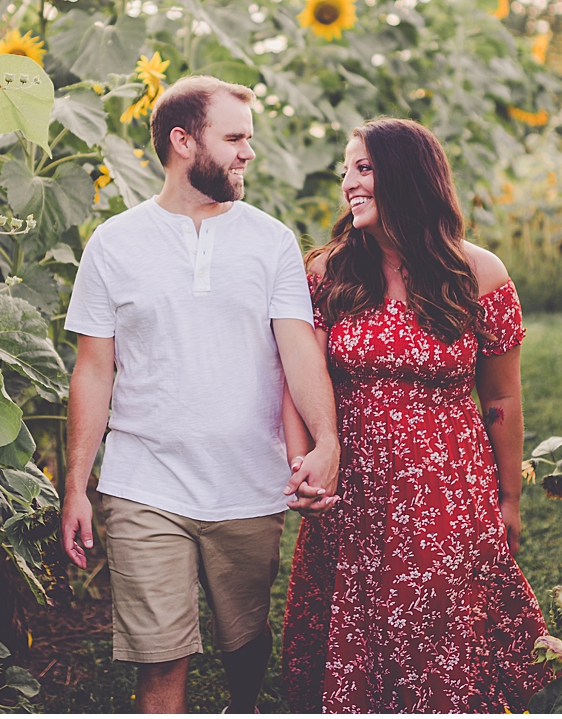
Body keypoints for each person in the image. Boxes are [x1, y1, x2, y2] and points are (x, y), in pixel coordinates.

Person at [60, 75, 341, 714]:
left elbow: (299, 349)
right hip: (143, 483)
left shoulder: (269, 241)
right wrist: (77, 485)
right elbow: (93, 371)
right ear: (183, 141)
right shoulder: (114, 245)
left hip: (247, 482)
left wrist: (327, 440)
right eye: (235, 138)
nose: (249, 153)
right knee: (160, 659)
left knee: (244, 642)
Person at [280, 117, 551, 713]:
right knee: (357, 620)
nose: (349, 183)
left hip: (448, 488)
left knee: (440, 625)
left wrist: (509, 500)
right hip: (356, 487)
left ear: (408, 176)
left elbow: (502, 401)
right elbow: (300, 379)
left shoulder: (479, 275)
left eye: (364, 167)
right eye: (347, 170)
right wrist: (303, 464)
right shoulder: (328, 274)